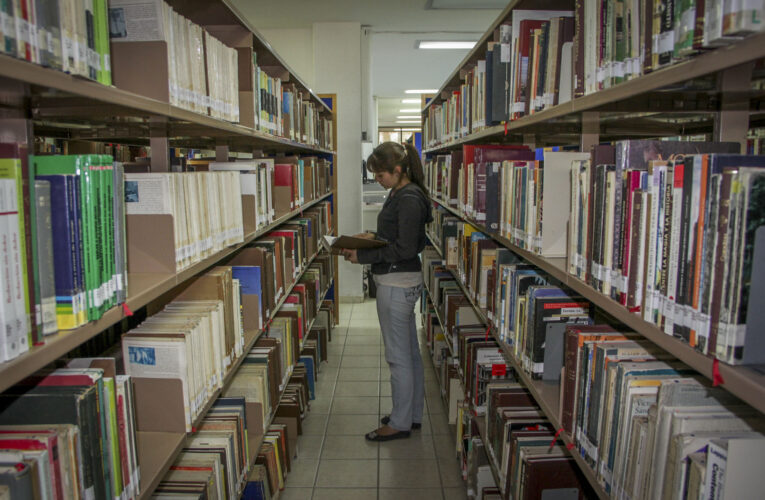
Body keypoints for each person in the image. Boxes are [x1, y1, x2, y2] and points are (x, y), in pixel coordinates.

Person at [341, 141, 433, 442]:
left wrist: (363, 256)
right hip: (399, 282)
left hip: (397, 284)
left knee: (398, 358)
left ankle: (400, 422)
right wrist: (369, 237)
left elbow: (405, 248)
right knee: (409, 354)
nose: (377, 181)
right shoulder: (400, 193)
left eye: (380, 175)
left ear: (397, 170)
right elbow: (395, 236)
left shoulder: (408, 198)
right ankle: (410, 414)